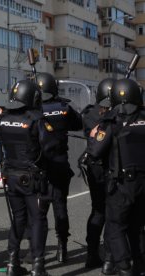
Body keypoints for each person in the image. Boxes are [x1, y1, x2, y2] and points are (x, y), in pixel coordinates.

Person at [84, 78, 145, 276]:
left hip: (120, 183)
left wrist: (94, 136)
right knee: (137, 227)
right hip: (142, 182)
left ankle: (124, 266)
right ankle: (139, 264)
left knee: (115, 226)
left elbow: (95, 152)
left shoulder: (111, 121)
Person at [0, 80, 58, 276]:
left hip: (11, 175)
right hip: (32, 177)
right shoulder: (36, 119)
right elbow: (50, 147)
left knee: (18, 219)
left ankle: (11, 262)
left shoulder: (4, 119)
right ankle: (38, 266)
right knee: (38, 220)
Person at [37, 72, 83, 263]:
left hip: (39, 167)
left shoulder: (33, 110)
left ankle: (38, 252)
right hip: (59, 164)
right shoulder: (64, 108)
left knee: (39, 212)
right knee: (60, 207)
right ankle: (62, 248)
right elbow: (78, 124)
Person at [80, 78, 116, 272]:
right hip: (112, 168)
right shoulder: (117, 114)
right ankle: (110, 256)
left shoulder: (89, 114)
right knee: (112, 213)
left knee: (98, 211)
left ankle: (92, 253)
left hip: (95, 168)